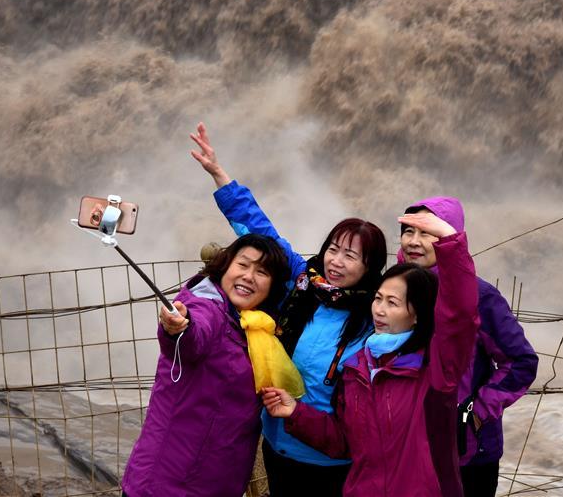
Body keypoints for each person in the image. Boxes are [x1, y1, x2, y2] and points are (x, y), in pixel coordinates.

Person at [189, 122, 387, 497]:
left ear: (369, 268)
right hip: (277, 444)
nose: (336, 262)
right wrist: (220, 175)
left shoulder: (374, 317)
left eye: (350, 256)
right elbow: (262, 232)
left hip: (330, 462)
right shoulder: (303, 283)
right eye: (333, 249)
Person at [262, 211, 480, 497]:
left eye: (393, 303)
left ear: (417, 314)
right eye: (378, 299)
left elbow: (459, 317)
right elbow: (344, 441)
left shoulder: (433, 370)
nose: (379, 310)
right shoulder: (358, 369)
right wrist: (296, 412)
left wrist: (451, 243)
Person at [121, 233, 300, 497]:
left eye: (262, 272)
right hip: (166, 484)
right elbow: (194, 335)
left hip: (220, 483)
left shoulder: (258, 328)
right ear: (226, 266)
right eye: (243, 264)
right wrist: (180, 326)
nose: (249, 276)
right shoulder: (207, 306)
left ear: (273, 286)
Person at [399, 197, 538, 497]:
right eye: (409, 231)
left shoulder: (481, 296)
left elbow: (522, 362)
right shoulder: (395, 290)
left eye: (426, 232)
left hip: (468, 450)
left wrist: (475, 412)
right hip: (407, 442)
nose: (414, 241)